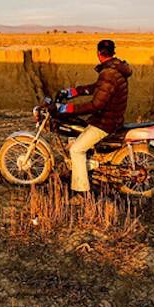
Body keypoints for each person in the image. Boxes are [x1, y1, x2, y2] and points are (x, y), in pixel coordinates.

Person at [55, 39, 132, 202]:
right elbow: (97, 88)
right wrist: (72, 92)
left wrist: (67, 109)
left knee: (76, 150)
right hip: (112, 117)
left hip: (105, 121)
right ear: (113, 52)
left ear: (98, 53)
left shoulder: (108, 73)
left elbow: (95, 105)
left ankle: (82, 193)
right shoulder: (115, 69)